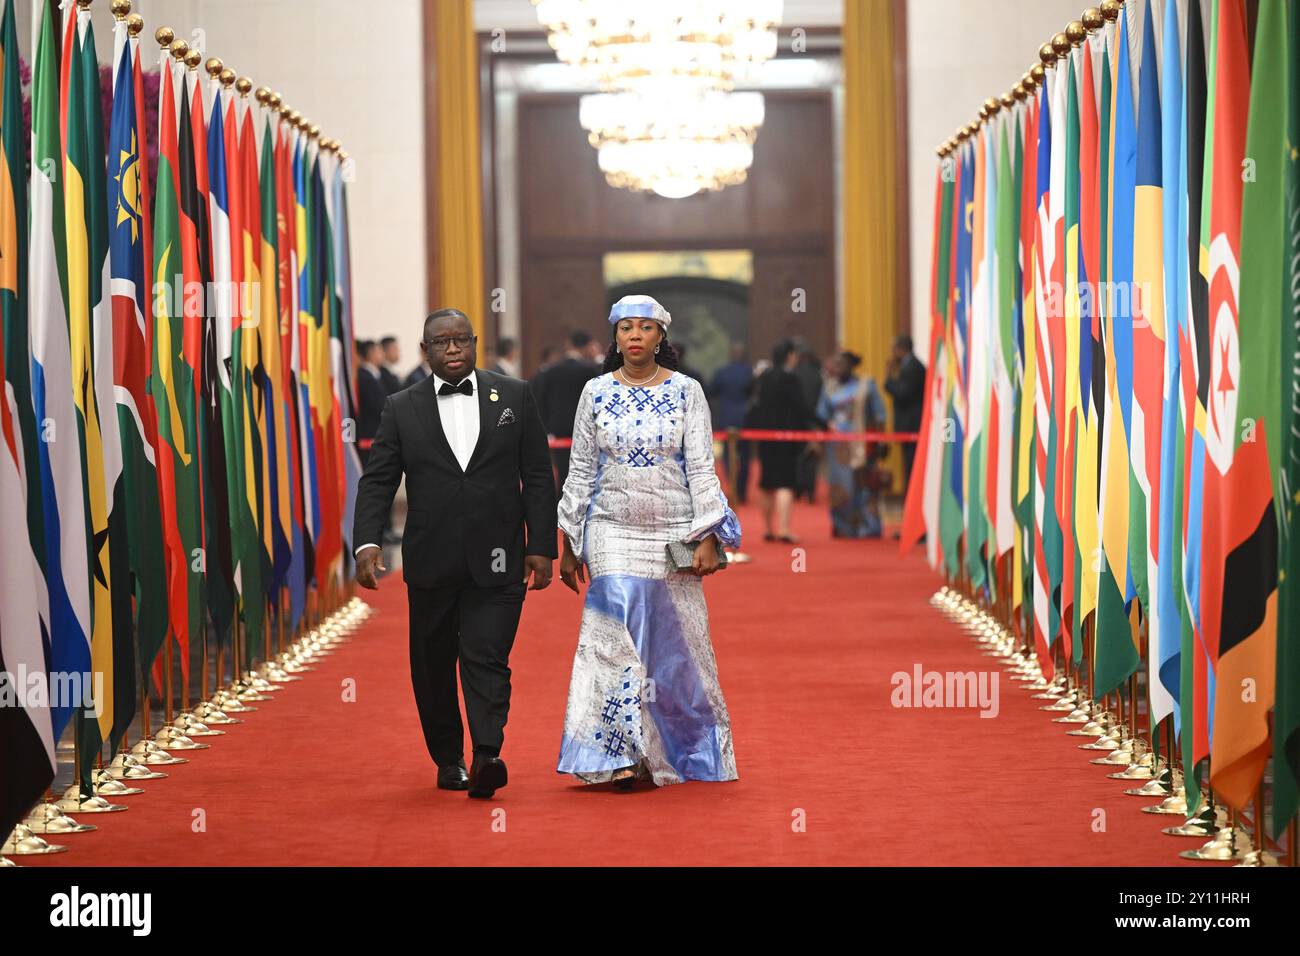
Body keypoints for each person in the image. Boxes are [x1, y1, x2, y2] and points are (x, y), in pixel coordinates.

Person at [351, 308, 558, 799]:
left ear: (474, 343)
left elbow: (538, 475)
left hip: (500, 556)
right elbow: (379, 478)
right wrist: (367, 541)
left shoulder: (514, 395)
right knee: (433, 662)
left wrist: (542, 546)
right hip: (432, 558)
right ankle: (449, 758)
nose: (452, 350)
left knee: (486, 654)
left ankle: (487, 753)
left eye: (460, 341)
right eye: (441, 343)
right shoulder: (401, 407)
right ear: (425, 351)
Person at [556, 294, 741, 790]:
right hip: (611, 528)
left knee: (670, 644)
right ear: (615, 337)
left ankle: (682, 750)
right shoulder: (594, 393)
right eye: (625, 328)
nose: (634, 336)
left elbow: (702, 466)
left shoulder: (687, 392)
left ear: (662, 336)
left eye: (644, 327)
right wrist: (569, 539)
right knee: (613, 639)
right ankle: (617, 754)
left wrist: (707, 534)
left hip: (674, 532)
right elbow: (581, 469)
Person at [747, 339, 814, 542]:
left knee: (767, 483)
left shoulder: (763, 377)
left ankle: (768, 529)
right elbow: (802, 408)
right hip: (787, 437)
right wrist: (820, 426)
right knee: (785, 483)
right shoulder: (790, 379)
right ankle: (784, 529)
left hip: (765, 437)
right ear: (789, 356)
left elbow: (754, 404)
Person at [817, 351, 887, 538]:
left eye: (842, 364)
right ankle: (843, 526)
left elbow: (879, 414)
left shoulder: (866, 385)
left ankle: (869, 527)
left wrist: (881, 440)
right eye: (835, 364)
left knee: (864, 485)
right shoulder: (829, 388)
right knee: (841, 487)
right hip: (838, 447)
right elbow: (822, 415)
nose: (837, 368)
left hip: (863, 444)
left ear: (851, 365)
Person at [532, 329, 599, 493]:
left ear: (568, 344)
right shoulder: (590, 370)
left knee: (562, 476)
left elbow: (539, 401)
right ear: (588, 346)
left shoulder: (549, 371)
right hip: (586, 432)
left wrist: (546, 428)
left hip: (557, 433)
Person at [708, 342, 754, 504]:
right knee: (746, 457)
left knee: (728, 456)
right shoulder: (750, 372)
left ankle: (732, 487)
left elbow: (711, 391)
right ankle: (741, 491)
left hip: (727, 418)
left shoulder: (722, 373)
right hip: (746, 420)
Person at [884, 333, 926, 486]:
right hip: (908, 426)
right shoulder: (907, 366)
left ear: (901, 349)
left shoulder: (913, 367)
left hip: (912, 425)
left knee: (912, 465)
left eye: (893, 349)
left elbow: (903, 393)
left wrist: (888, 379)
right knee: (908, 464)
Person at [355, 339, 386, 462]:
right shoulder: (364, 376)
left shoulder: (375, 375)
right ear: (371, 354)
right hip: (369, 434)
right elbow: (377, 405)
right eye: (379, 351)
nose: (382, 354)